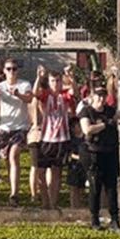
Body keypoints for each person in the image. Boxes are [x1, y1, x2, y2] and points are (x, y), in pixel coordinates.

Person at [79, 85, 120, 231]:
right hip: (93, 153)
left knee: (111, 187)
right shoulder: (86, 111)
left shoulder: (109, 110)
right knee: (95, 187)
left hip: (110, 152)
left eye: (103, 95)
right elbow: (87, 129)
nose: (101, 98)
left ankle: (114, 220)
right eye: (98, 95)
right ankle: (94, 220)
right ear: (92, 97)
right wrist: (104, 124)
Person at [34, 66, 75, 209]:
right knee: (41, 172)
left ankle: (53, 203)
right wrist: (39, 77)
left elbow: (74, 91)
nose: (55, 84)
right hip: (46, 138)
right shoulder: (46, 95)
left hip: (61, 138)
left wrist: (70, 77)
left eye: (58, 81)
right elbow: (35, 94)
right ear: (49, 82)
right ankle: (45, 201)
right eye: (52, 81)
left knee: (57, 172)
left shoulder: (64, 95)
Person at [0, 59, 32, 207]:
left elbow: (29, 98)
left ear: (18, 70)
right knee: (8, 160)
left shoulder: (24, 84)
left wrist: (18, 95)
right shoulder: (0, 86)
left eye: (14, 69)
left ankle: (14, 194)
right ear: (4, 71)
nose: (12, 72)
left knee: (14, 155)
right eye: (8, 69)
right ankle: (13, 188)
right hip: (4, 127)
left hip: (20, 127)